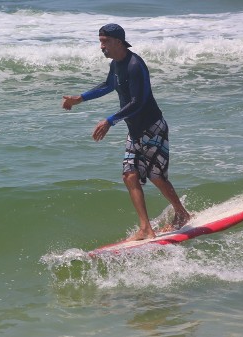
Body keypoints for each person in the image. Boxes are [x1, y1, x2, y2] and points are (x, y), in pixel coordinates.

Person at [62, 23, 190, 241]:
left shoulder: (134, 65)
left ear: (118, 42)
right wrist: (80, 98)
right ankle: (145, 228)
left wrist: (110, 121)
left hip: (152, 128)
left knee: (156, 176)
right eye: (100, 41)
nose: (101, 46)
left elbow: (138, 102)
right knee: (129, 176)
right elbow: (108, 84)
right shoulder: (116, 64)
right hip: (134, 130)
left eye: (105, 42)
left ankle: (181, 213)